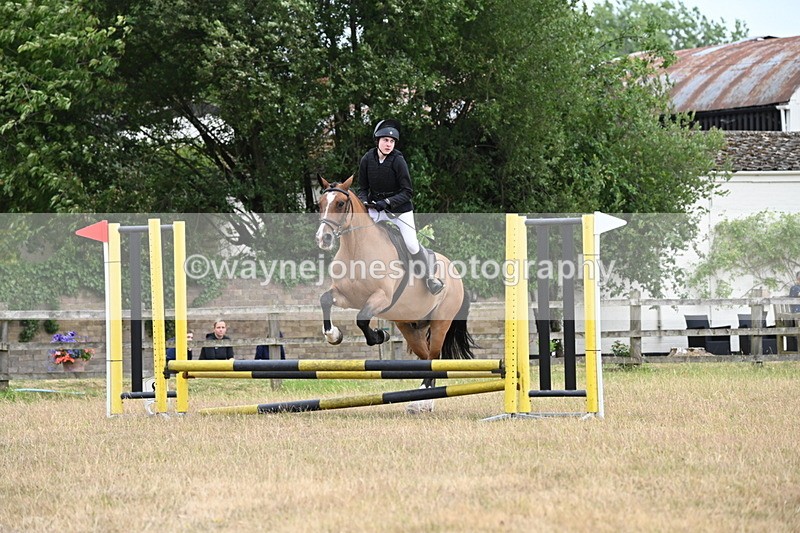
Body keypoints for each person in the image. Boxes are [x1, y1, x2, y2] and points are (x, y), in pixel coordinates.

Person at [357, 119, 443, 294]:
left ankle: (430, 278)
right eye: (385, 140)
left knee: (411, 244)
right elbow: (362, 188)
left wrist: (387, 202)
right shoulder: (367, 159)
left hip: (399, 210)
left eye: (392, 141)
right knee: (358, 233)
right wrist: (365, 202)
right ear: (377, 141)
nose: (389, 144)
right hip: (376, 209)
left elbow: (407, 192)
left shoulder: (398, 161)